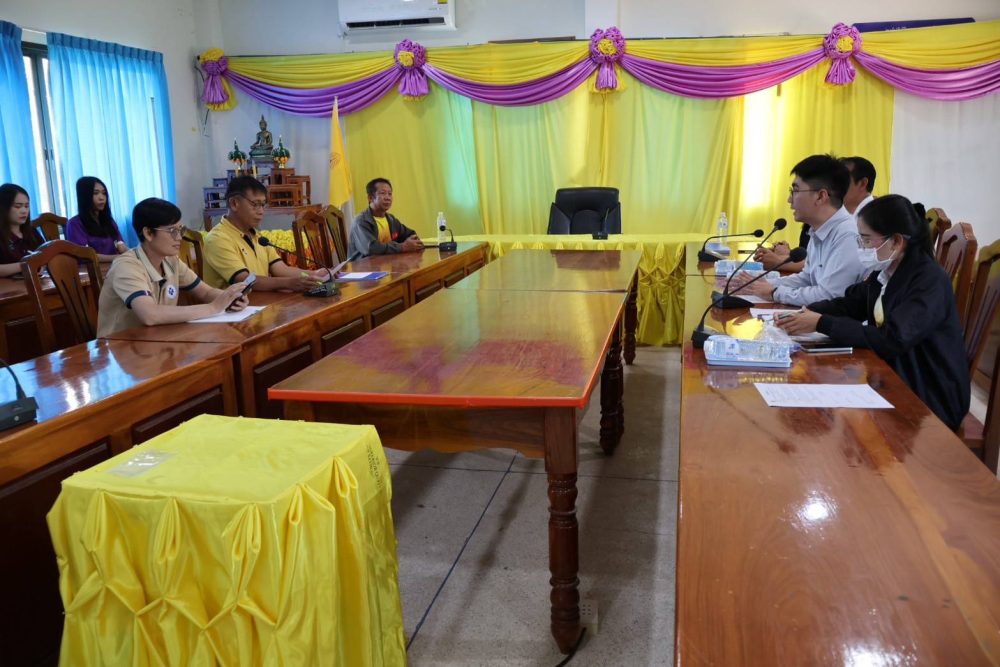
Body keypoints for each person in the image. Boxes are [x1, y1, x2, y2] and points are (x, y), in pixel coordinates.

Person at [775, 194, 970, 431]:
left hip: (927, 396)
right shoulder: (887, 269)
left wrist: (821, 323)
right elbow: (852, 304)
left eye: (866, 240)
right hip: (891, 377)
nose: (861, 247)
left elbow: (892, 339)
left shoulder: (928, 281)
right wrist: (806, 313)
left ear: (896, 241)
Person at [96, 198, 249, 337]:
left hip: (157, 340)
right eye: (172, 231)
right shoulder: (126, 266)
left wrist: (230, 297)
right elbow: (150, 315)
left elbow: (206, 292)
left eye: (180, 230)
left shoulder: (170, 260)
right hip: (120, 348)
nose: (179, 237)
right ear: (148, 233)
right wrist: (213, 307)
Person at [737, 154, 864, 306]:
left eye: (795, 191)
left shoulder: (848, 235)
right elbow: (808, 278)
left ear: (820, 196)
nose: (789, 200)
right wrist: (760, 283)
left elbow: (830, 295)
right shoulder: (819, 230)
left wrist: (774, 292)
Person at [202, 176, 328, 291]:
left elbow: (281, 269)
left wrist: (315, 274)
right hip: (232, 307)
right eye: (256, 204)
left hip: (259, 302)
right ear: (234, 203)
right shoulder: (218, 239)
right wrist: (289, 283)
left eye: (263, 205)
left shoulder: (258, 237)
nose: (261, 211)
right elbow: (245, 280)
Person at [756, 156, 878, 273]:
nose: (789, 199)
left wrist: (779, 263)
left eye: (796, 191)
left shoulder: (857, 229)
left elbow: (829, 287)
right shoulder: (819, 225)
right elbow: (811, 273)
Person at [348, 178, 423, 257]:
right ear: (370, 198)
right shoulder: (360, 221)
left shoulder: (391, 219)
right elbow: (371, 248)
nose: (388, 198)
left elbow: (410, 234)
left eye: (390, 194)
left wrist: (413, 242)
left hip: (388, 263)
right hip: (363, 264)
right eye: (383, 193)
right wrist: (402, 247)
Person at [66, 177, 128, 261]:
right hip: (92, 268)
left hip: (115, 265)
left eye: (104, 193)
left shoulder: (109, 221)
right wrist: (118, 258)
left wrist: (134, 254)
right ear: (84, 196)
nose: (102, 198)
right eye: (95, 193)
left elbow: (121, 246)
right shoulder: (74, 224)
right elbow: (86, 256)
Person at [0, 183, 43, 278]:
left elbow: (45, 255)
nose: (24, 211)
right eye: (18, 206)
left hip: (37, 281)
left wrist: (43, 265)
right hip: (8, 286)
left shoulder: (32, 231)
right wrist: (26, 265)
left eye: (26, 206)